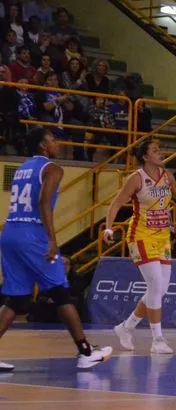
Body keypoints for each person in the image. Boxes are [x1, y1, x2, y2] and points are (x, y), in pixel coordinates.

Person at [0, 128, 112, 371]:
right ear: (43, 146)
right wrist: (52, 239)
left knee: (17, 299)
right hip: (33, 236)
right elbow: (43, 202)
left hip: (10, 232)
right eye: (53, 140)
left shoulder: (21, 168)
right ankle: (86, 352)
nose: (58, 144)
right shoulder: (52, 169)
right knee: (61, 293)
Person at [105, 138, 176, 354]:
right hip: (141, 236)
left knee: (160, 290)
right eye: (155, 151)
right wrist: (108, 228)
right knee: (155, 285)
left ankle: (126, 327)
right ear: (146, 157)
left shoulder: (167, 176)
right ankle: (157, 339)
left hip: (162, 237)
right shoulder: (136, 178)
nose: (161, 153)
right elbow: (115, 204)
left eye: (160, 149)